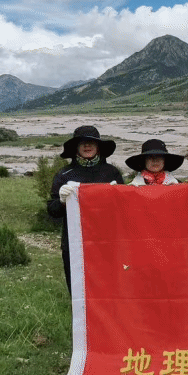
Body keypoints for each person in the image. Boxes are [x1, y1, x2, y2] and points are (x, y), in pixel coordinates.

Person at [46, 125, 124, 294]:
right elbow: (52, 211)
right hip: (74, 243)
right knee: (78, 289)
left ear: (98, 147)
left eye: (91, 142)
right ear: (76, 147)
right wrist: (62, 201)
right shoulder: (64, 174)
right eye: (82, 143)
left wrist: (118, 196)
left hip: (107, 243)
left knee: (109, 287)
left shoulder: (111, 173)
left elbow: (124, 211)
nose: (87, 146)